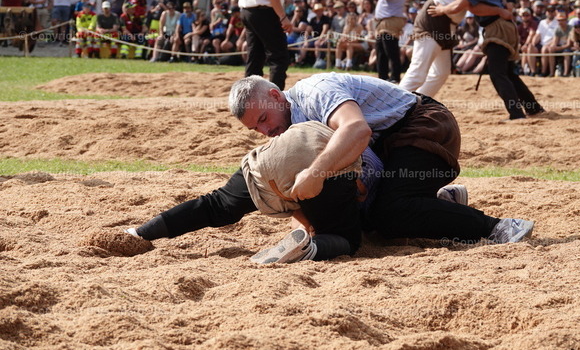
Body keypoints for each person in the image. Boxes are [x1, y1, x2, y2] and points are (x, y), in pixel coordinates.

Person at [125, 72, 536, 263]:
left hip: (422, 124)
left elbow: (356, 131)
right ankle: (438, 202)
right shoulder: (289, 128)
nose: (266, 132)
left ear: (275, 95)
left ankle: (498, 227)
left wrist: (316, 173)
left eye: (264, 119)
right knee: (374, 218)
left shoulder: (315, 92)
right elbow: (341, 168)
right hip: (382, 147)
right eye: (256, 129)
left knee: (392, 211)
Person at [430, 0, 545, 120]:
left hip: (497, 28)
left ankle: (516, 114)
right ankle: (533, 108)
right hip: (503, 26)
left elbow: (461, 5)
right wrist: (501, 9)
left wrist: (441, 9)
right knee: (508, 72)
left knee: (497, 73)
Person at [400, 0, 508, 98]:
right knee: (418, 72)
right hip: (432, 20)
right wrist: (499, 11)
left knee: (441, 73)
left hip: (446, 25)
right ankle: (393, 104)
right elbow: (470, 7)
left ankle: (416, 102)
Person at [237, 0, 290, 90]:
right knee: (279, 57)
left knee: (255, 58)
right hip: (264, 11)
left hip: (248, 9)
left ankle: (249, 98)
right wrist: (282, 16)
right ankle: (274, 99)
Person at [374, 0, 406, 83]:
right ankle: (383, 78)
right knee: (381, 51)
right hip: (385, 22)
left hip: (390, 22)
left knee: (391, 50)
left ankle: (395, 77)